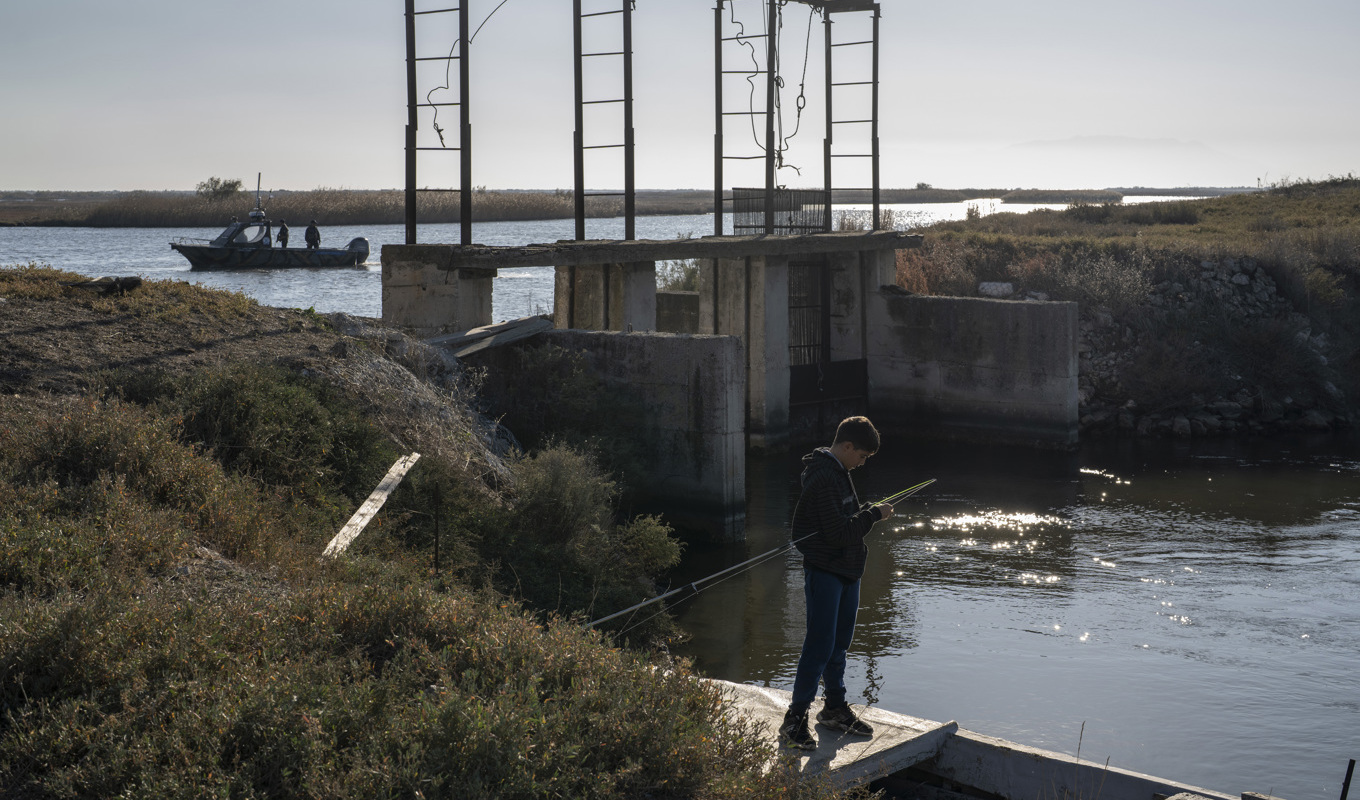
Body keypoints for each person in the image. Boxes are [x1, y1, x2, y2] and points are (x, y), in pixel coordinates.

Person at [779, 415, 894, 751]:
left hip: (847, 571)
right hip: (826, 572)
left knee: (839, 644)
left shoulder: (839, 472)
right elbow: (839, 533)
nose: (861, 463)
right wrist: (874, 515)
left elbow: (844, 519)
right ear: (847, 446)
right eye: (861, 456)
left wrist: (867, 511)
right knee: (819, 645)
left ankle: (834, 709)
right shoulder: (825, 478)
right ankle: (795, 718)